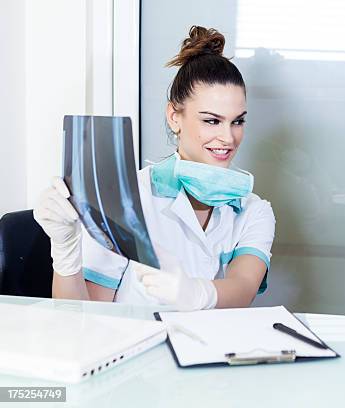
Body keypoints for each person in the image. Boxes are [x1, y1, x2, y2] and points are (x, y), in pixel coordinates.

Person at [33, 26, 275, 311]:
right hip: (132, 347)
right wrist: (65, 251)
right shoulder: (124, 200)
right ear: (174, 117)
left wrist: (197, 294)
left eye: (237, 121)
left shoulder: (253, 210)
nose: (228, 137)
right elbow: (82, 320)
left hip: (210, 351)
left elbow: (243, 289)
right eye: (212, 121)